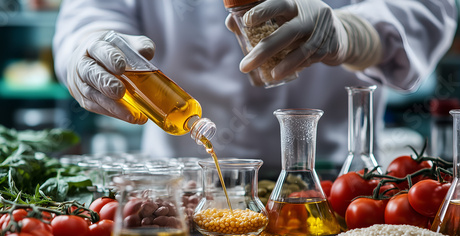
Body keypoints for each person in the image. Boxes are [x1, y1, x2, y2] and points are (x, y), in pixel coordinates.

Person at [52, 0, 457, 177]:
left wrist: (349, 33)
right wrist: (85, 44)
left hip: (331, 178)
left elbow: (427, 8)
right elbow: (91, 11)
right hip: (183, 180)